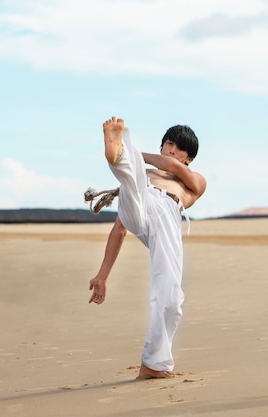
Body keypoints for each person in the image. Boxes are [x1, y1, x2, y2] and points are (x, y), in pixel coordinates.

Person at [87, 116, 207, 379]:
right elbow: (118, 230)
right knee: (132, 179)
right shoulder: (146, 173)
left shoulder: (193, 180)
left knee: (171, 298)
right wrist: (102, 276)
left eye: (179, 148)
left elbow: (173, 166)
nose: (172, 149)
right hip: (140, 201)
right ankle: (118, 154)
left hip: (167, 214)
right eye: (169, 143)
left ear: (189, 159)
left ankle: (154, 364)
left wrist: (137, 155)